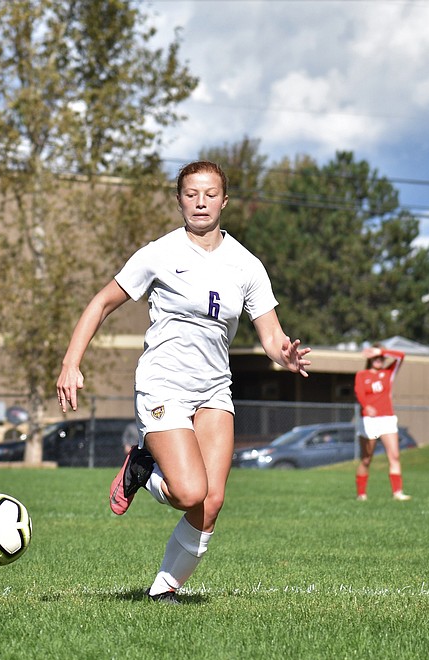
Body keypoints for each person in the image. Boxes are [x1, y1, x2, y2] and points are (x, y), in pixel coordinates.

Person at [56, 160, 311, 604]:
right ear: (179, 200)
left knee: (210, 502)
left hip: (214, 389)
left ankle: (163, 591)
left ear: (224, 201)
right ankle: (142, 468)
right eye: (191, 193)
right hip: (163, 385)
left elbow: (270, 335)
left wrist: (284, 353)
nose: (200, 202)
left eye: (210, 194)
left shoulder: (246, 265)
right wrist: (70, 363)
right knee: (188, 491)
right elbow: (100, 303)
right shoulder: (160, 253)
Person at [353, 346, 412, 501]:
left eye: (380, 358)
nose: (378, 360)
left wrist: (381, 351)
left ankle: (397, 493)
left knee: (394, 456)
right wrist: (366, 406)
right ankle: (361, 494)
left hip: (387, 418)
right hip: (369, 420)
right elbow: (359, 393)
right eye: (375, 357)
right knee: (366, 459)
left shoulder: (388, 373)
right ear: (369, 359)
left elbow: (401, 355)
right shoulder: (362, 375)